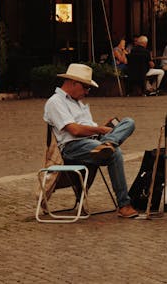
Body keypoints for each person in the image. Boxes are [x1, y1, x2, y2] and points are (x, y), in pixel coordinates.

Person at [43, 63, 138, 218]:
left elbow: (88, 127)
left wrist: (104, 129)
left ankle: (109, 143)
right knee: (115, 153)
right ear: (74, 83)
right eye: (86, 87)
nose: (87, 92)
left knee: (129, 122)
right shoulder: (55, 102)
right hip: (72, 147)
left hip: (92, 142)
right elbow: (74, 130)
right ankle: (124, 204)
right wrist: (100, 129)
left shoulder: (77, 102)